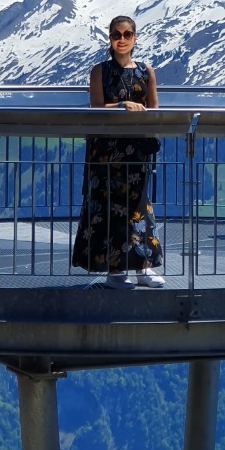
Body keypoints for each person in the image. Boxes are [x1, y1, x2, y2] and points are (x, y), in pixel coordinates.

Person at [71, 15, 165, 288]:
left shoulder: (147, 71)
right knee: (109, 207)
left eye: (127, 34)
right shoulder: (99, 71)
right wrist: (124, 104)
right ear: (109, 38)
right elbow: (96, 108)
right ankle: (115, 270)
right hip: (107, 151)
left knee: (137, 207)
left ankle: (142, 267)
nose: (121, 40)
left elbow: (155, 110)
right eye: (116, 35)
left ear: (135, 38)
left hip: (136, 150)